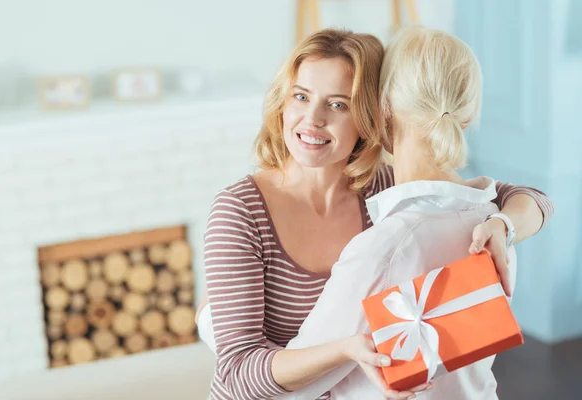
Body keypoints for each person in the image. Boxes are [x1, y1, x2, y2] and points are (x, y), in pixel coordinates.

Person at [198, 28, 554, 400]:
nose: (312, 119)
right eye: (300, 96)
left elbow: (529, 198)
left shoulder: (387, 194)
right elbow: (237, 378)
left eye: (338, 104)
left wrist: (504, 223)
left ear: (373, 111)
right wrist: (346, 350)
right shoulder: (240, 211)